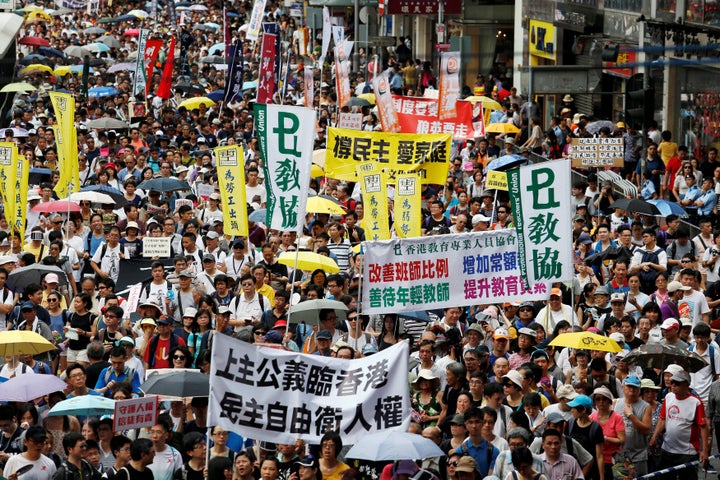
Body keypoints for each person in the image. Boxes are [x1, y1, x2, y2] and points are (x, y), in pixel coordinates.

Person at [650, 369, 709, 480]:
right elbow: (662, 420)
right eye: (672, 382)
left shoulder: (696, 402)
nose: (673, 385)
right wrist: (654, 437)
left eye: (677, 383)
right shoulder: (668, 397)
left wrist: (704, 451)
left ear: (687, 385)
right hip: (667, 449)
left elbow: (703, 427)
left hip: (687, 453)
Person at [455, 407, 499, 477]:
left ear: (482, 423)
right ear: (465, 425)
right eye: (470, 422)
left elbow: (491, 477)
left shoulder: (493, 451)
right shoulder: (460, 451)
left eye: (477, 422)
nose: (474, 426)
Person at [147, 416, 182, 480]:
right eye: (152, 432)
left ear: (166, 435)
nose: (155, 436)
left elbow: (179, 476)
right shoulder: (144, 452)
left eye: (158, 432)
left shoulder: (175, 454)